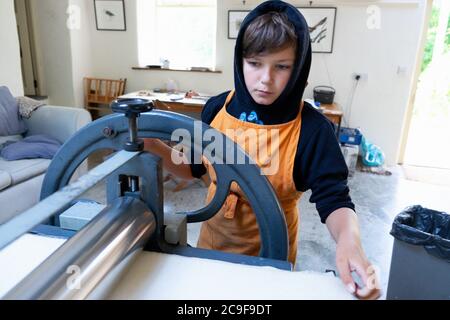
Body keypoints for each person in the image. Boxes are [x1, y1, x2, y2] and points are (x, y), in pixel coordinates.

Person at [145, 0, 380, 299]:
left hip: (268, 261)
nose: (266, 79)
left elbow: (335, 200)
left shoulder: (310, 130)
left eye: (281, 67)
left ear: (298, 69)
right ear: (240, 60)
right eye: (255, 64)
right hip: (210, 251)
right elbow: (193, 168)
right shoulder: (218, 109)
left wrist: (350, 243)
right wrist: (153, 145)